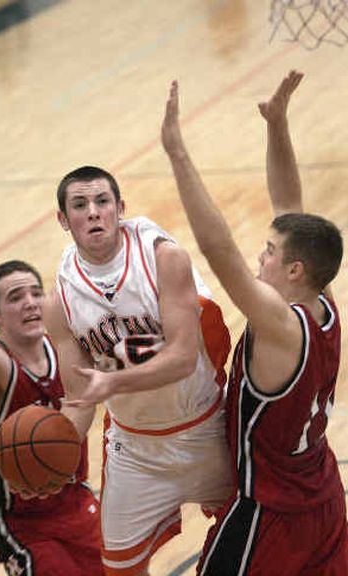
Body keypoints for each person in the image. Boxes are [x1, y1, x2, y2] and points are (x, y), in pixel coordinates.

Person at [161, 72, 348, 575]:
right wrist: (277, 124)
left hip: (270, 513)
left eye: (268, 253)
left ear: (294, 270)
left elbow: (217, 249)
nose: (258, 258)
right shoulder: (322, 305)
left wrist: (178, 154)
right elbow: (289, 205)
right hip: (325, 499)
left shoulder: (280, 326)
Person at [43, 165, 233, 576]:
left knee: (252, 549)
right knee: (120, 570)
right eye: (79, 205)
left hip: (208, 430)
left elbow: (182, 358)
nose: (93, 212)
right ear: (63, 219)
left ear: (120, 208)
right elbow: (80, 401)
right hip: (136, 450)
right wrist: (51, 456)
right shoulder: (58, 301)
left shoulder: (163, 257)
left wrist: (112, 381)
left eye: (102, 201)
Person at [0, 219, 104, 576]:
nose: (31, 303)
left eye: (36, 293)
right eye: (16, 297)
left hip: (76, 502)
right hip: (24, 524)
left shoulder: (66, 350)